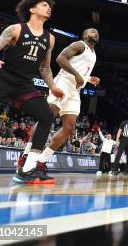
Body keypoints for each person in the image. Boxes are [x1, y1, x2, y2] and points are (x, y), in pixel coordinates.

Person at [0, 0, 64, 184]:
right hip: (3, 78)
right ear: (32, 9)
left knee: (46, 116)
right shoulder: (16, 29)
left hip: (24, 86)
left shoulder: (50, 38)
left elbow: (44, 67)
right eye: (44, 5)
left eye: (50, 6)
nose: (48, 8)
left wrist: (53, 86)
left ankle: (28, 168)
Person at [17, 29, 100, 172]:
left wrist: (88, 78)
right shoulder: (79, 45)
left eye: (97, 32)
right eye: (92, 31)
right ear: (85, 35)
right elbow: (60, 59)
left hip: (75, 91)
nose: (96, 33)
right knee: (47, 117)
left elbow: (80, 70)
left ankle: (41, 161)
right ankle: (26, 154)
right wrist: (77, 76)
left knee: (69, 128)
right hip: (63, 83)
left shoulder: (93, 53)